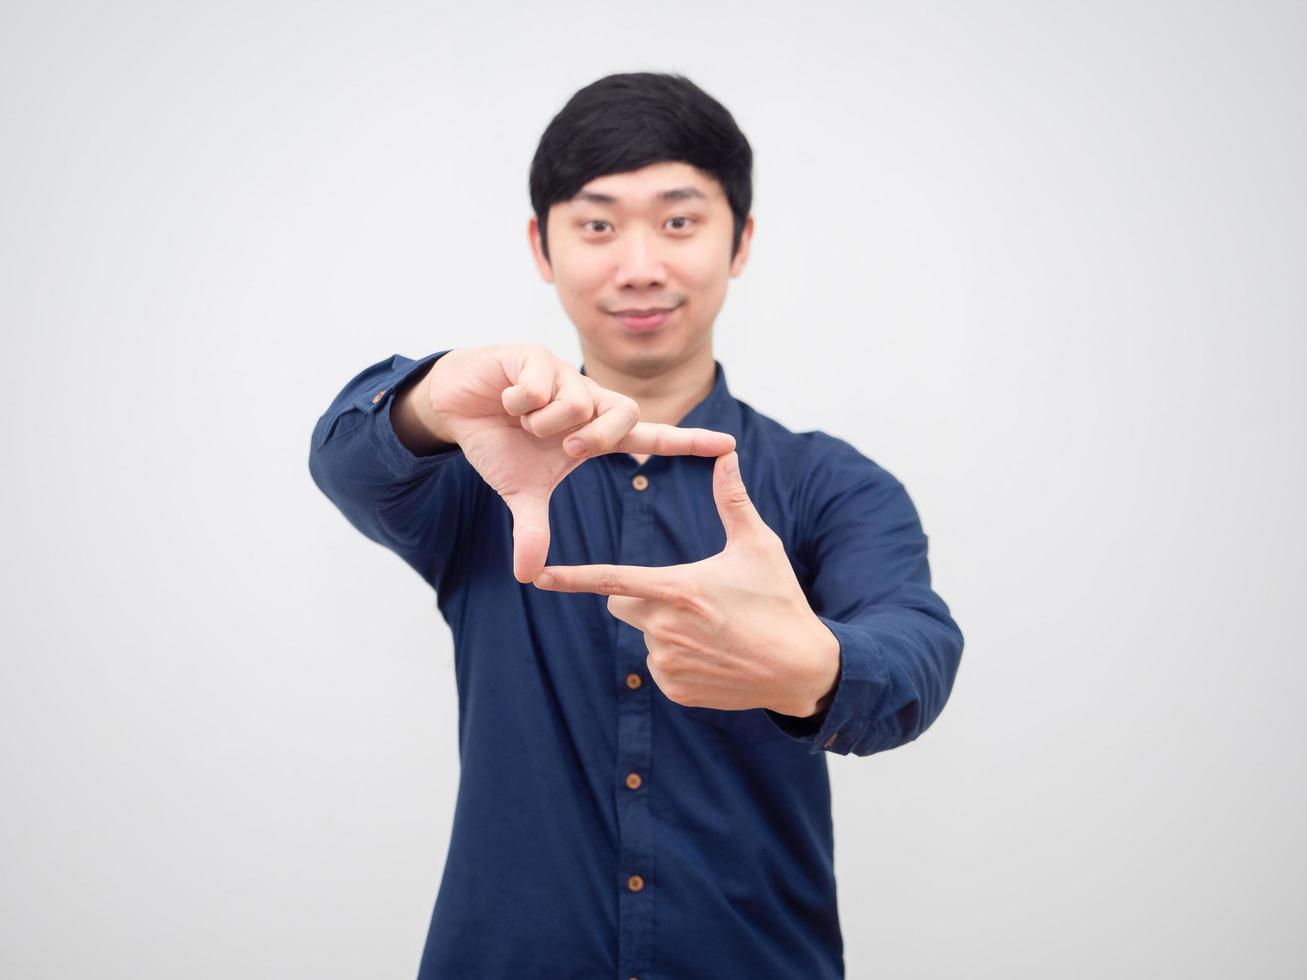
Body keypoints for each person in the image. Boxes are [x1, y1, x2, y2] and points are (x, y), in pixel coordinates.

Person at [308, 71, 964, 980]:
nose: (639, 265)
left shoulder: (828, 485)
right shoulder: (473, 472)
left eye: (680, 220)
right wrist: (428, 396)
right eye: (598, 224)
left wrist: (814, 667)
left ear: (741, 241)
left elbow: (915, 648)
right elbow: (346, 456)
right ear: (542, 246)